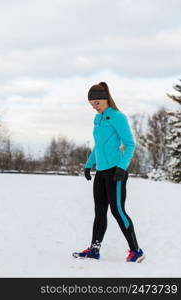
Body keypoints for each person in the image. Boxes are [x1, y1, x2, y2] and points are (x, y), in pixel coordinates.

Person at [73, 82, 145, 263]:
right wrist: (89, 165)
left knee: (117, 210)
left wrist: (122, 167)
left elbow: (129, 144)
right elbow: (99, 145)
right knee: (99, 211)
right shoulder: (97, 119)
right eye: (91, 104)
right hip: (102, 172)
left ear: (105, 99)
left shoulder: (117, 117)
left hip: (116, 171)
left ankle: (136, 250)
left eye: (97, 103)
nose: (94, 107)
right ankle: (94, 249)